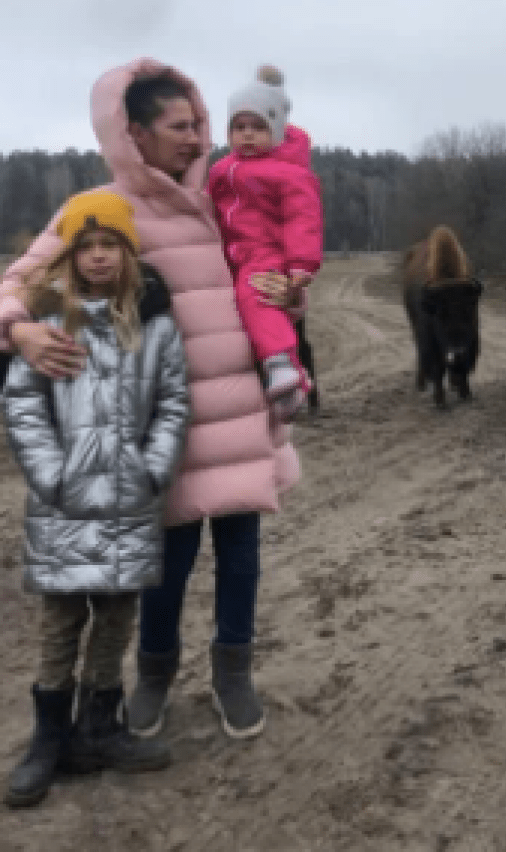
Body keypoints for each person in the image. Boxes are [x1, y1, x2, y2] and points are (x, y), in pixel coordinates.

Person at [0, 59, 304, 744]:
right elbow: (15, 281)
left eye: (200, 124)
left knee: (241, 551)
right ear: (134, 132)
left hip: (239, 414)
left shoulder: (223, 202)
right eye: (180, 127)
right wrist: (18, 330)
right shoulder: (102, 214)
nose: (199, 138)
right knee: (164, 562)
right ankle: (156, 676)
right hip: (163, 427)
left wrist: (291, 294)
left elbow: (265, 271)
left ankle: (234, 672)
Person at [2, 190, 189, 807]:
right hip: (63, 499)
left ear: (128, 253)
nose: (99, 258)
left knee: (115, 616)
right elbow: (23, 404)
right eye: (87, 248)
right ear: (71, 256)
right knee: (61, 619)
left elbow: (172, 404)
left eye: (110, 245)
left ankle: (99, 728)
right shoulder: (50, 320)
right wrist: (51, 474)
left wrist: (153, 468)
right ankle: (49, 739)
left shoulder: (155, 326)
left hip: (132, 498)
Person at [209, 65, 323, 422]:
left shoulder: (288, 172)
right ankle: (292, 382)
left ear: (276, 132)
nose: (247, 135)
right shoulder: (221, 169)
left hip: (265, 255)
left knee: (255, 296)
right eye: (239, 127)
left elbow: (302, 218)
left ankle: (280, 364)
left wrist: (301, 265)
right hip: (233, 256)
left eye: (258, 128)